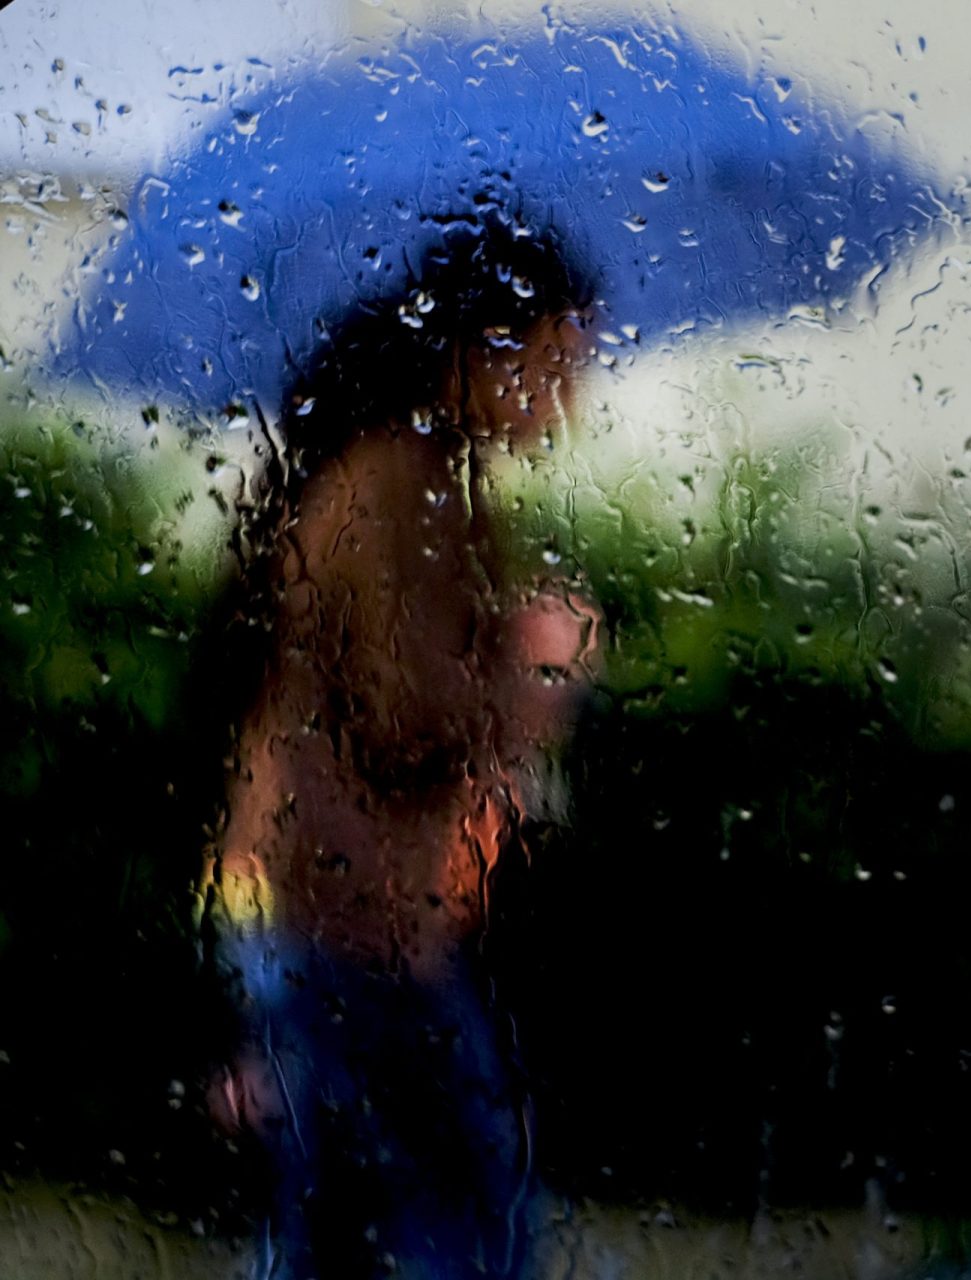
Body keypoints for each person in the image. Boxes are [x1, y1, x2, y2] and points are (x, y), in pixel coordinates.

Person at [197, 226, 602, 1278]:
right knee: (444, 1223)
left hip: (357, 919)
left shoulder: (433, 480)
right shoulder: (394, 488)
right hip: (331, 923)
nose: (570, 402)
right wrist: (534, 681)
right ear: (482, 351)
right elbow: (399, 722)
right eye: (560, 364)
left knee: (358, 1223)